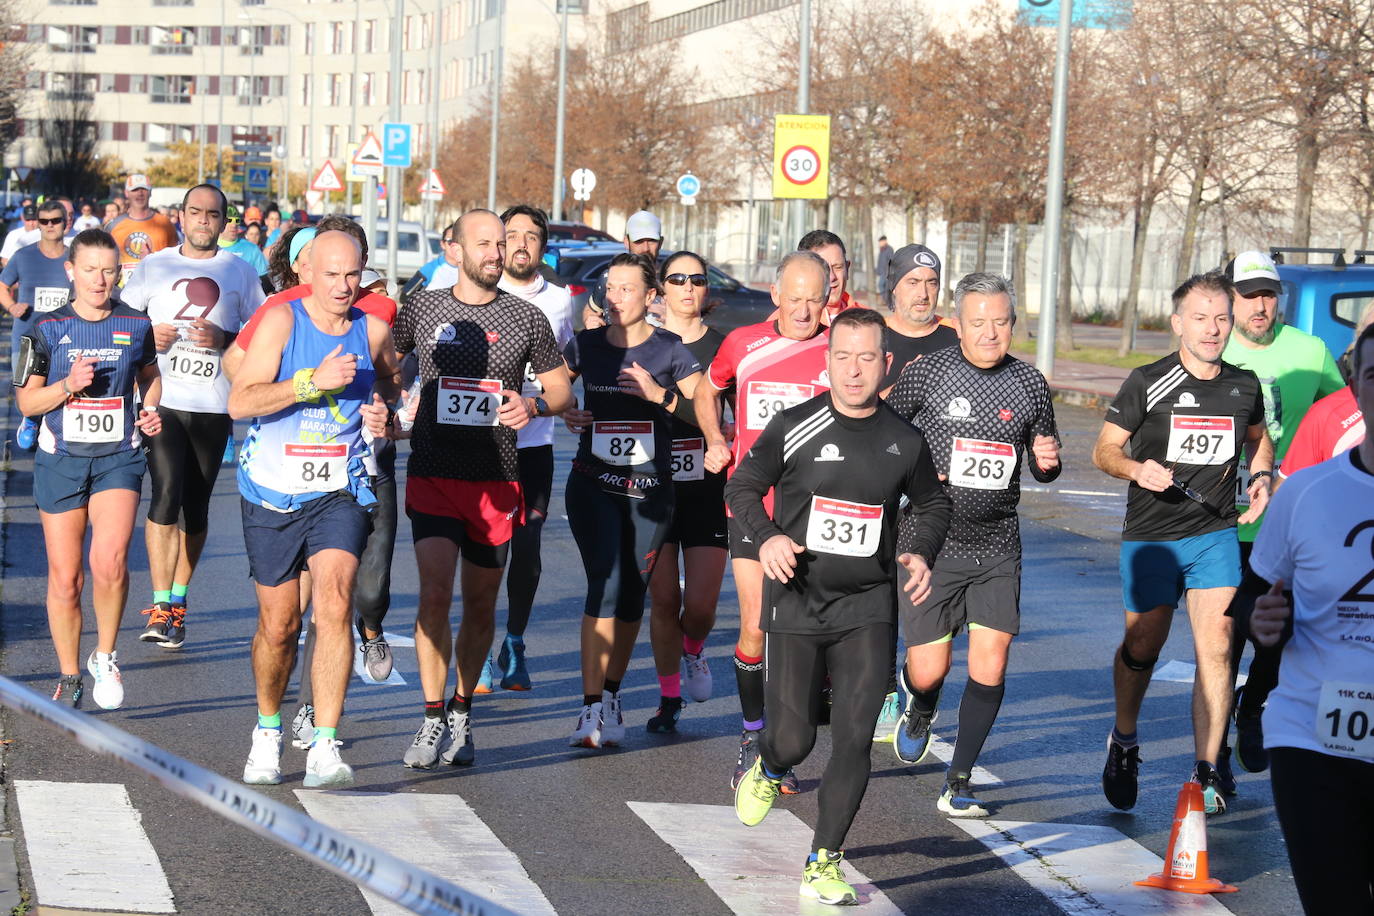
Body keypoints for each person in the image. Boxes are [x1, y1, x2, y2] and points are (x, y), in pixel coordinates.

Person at [728, 307, 950, 906]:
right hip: (799, 601)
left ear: (887, 364)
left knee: (854, 738)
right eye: (842, 357)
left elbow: (932, 505)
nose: (854, 372)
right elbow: (742, 486)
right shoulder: (795, 425)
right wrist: (769, 535)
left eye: (866, 358)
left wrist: (921, 551)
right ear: (828, 363)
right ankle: (770, 768)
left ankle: (824, 859)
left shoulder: (905, 439)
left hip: (868, 607)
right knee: (795, 737)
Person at [389, 209, 572, 769]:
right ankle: (429, 716)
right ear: (456, 251)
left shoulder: (527, 318)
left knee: (480, 604)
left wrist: (534, 403)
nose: (497, 252)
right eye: (486, 243)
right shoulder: (422, 305)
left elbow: (562, 388)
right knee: (435, 595)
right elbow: (387, 362)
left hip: (496, 479)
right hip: (434, 473)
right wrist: (397, 398)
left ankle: (462, 711)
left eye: (503, 243)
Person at [1092, 269, 1274, 815]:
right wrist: (1133, 469)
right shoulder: (1148, 381)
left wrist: (1261, 478)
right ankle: (1124, 739)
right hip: (1151, 536)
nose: (1213, 328)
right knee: (1143, 645)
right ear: (1178, 324)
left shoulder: (1244, 385)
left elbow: (1258, 443)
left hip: (1214, 533)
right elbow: (1103, 450)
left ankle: (1205, 770)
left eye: (1221, 317)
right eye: (1201, 318)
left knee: (1217, 647)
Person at [884, 272, 1061, 816]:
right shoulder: (929, 372)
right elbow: (882, 434)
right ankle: (920, 702)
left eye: (1001, 322)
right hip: (930, 541)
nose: (990, 333)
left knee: (992, 662)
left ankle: (958, 782)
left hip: (997, 542)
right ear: (957, 325)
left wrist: (1048, 461)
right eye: (978, 322)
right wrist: (913, 469)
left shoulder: (1030, 383)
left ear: (1013, 324)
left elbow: (1042, 458)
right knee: (931, 669)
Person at [229, 229, 400, 788]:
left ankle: (325, 743)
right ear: (307, 274)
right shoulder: (282, 321)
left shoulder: (372, 331)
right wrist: (309, 383)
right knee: (279, 626)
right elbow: (242, 400)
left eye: (352, 275)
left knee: (335, 601)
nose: (343, 286)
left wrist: (384, 418)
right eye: (331, 274)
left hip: (340, 488)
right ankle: (268, 728)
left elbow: (393, 389)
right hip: (273, 490)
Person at [1247, 322, 1374, 913]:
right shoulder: (1308, 493)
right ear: (1356, 389)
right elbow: (1254, 597)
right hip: (1314, 735)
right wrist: (1264, 620)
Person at [695, 249, 832, 793]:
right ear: (775, 295)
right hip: (754, 504)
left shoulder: (838, 347)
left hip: (817, 511)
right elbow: (709, 390)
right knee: (755, 624)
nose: (803, 310)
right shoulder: (741, 343)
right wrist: (715, 439)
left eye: (814, 300)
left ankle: (797, 719)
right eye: (793, 298)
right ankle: (755, 738)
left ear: (829, 299)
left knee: (807, 634)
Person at [16, 229, 163, 709]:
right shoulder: (46, 328)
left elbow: (149, 376)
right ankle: (69, 671)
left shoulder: (135, 324)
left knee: (111, 560)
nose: (100, 280)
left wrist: (149, 408)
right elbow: (27, 399)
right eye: (91, 270)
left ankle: (105, 653)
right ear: (71, 272)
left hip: (118, 456)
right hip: (60, 458)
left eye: (109, 270)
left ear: (119, 273)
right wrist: (66, 386)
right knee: (65, 577)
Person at [561, 252, 703, 747]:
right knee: (606, 579)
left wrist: (656, 396)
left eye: (627, 288)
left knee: (631, 596)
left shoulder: (670, 350)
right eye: (610, 287)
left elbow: (702, 408)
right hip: (593, 483)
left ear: (650, 297)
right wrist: (560, 410)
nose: (615, 296)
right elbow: (553, 389)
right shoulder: (585, 345)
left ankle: (613, 694)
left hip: (649, 490)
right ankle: (589, 707)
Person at [1218, 250, 1347, 780]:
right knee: (1221, 640)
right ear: (1231, 297)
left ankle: (1253, 712)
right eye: (1249, 295)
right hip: (1221, 521)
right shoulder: (1212, 346)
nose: (1261, 305)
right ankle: (1214, 760)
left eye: (1269, 294)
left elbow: (1347, 420)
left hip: (1290, 521)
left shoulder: (1310, 351)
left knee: (1278, 635)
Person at [121, 184, 264, 651]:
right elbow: (122, 323)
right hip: (163, 397)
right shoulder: (154, 264)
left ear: (225, 222)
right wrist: (148, 335)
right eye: (196, 212)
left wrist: (224, 336)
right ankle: (162, 604)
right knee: (164, 494)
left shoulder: (240, 271)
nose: (204, 220)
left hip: (214, 404)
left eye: (213, 214)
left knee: (196, 508)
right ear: (181, 216)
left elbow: (264, 333)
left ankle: (179, 600)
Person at [473, 205, 576, 693]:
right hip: (483, 448)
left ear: (542, 246)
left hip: (534, 447)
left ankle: (513, 641)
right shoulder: (480, 293)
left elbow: (569, 363)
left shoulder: (560, 300)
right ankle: (481, 643)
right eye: (510, 235)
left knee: (527, 549)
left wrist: (553, 400)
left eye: (530, 237)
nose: (518, 244)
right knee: (485, 553)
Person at [643, 250, 729, 733]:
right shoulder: (646, 343)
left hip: (706, 487)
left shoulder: (725, 348)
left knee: (699, 605)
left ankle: (694, 648)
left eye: (697, 279)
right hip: (655, 487)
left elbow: (739, 413)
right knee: (661, 601)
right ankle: (668, 696)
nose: (688, 287)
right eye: (678, 279)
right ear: (662, 288)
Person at [1, 200, 74, 449]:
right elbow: (2, 285)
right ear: (38, 224)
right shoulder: (24, 256)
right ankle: (30, 420)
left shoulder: (74, 258)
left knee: (59, 383)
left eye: (56, 220)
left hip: (64, 334)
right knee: (27, 384)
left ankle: (55, 427)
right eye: (44, 221)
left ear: (66, 223)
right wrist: (11, 306)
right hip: (28, 334)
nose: (50, 225)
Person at [880, 243, 959, 393]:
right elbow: (857, 412)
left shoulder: (958, 336)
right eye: (913, 283)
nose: (923, 294)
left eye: (931, 283)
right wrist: (904, 386)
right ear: (894, 287)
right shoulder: (871, 335)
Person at [582, 210, 665, 329]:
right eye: (639, 241)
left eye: (652, 241)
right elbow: (590, 310)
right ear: (626, 242)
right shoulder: (609, 277)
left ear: (661, 242)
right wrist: (589, 320)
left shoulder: (672, 281)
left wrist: (673, 319)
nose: (646, 248)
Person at [106, 175, 178, 285]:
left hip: (156, 287)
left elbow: (175, 260)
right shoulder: (113, 226)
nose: (140, 193)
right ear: (126, 193)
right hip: (121, 293)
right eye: (135, 190)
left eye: (144, 189)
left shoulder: (165, 224)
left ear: (150, 192)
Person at [799, 230, 862, 323]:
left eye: (838, 267)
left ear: (847, 269)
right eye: (822, 269)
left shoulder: (868, 320)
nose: (832, 277)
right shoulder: (788, 321)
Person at [399, 224, 460, 304]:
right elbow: (405, 296)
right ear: (442, 244)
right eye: (450, 241)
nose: (454, 246)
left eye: (458, 241)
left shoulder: (471, 269)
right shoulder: (430, 268)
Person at [219, 207, 270, 279]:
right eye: (229, 220)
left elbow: (265, 280)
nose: (234, 225)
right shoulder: (208, 248)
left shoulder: (252, 249)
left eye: (237, 221)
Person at [874, 235, 893, 307]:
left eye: (880, 242)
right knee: (883, 286)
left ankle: (885, 300)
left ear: (884, 241)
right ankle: (886, 300)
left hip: (886, 272)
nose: (879, 243)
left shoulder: (889, 249)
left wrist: (889, 271)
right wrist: (878, 271)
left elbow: (891, 261)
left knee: (882, 285)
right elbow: (880, 261)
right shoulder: (882, 250)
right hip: (881, 271)